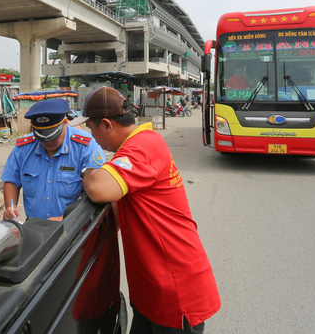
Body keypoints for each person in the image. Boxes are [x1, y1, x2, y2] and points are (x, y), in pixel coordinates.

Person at [75, 87, 220, 333]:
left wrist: (85, 171)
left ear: (107, 125)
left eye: (91, 128)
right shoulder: (139, 145)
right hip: (152, 286)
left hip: (174, 289)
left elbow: (98, 188)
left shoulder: (141, 147)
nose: (92, 137)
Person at [2, 99, 105, 221]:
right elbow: (11, 180)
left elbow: (99, 191)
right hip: (35, 227)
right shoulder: (24, 148)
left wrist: (64, 218)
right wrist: (11, 207)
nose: (48, 141)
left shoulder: (85, 147)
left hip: (75, 226)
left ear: (65, 123)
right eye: (42, 137)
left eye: (53, 136)